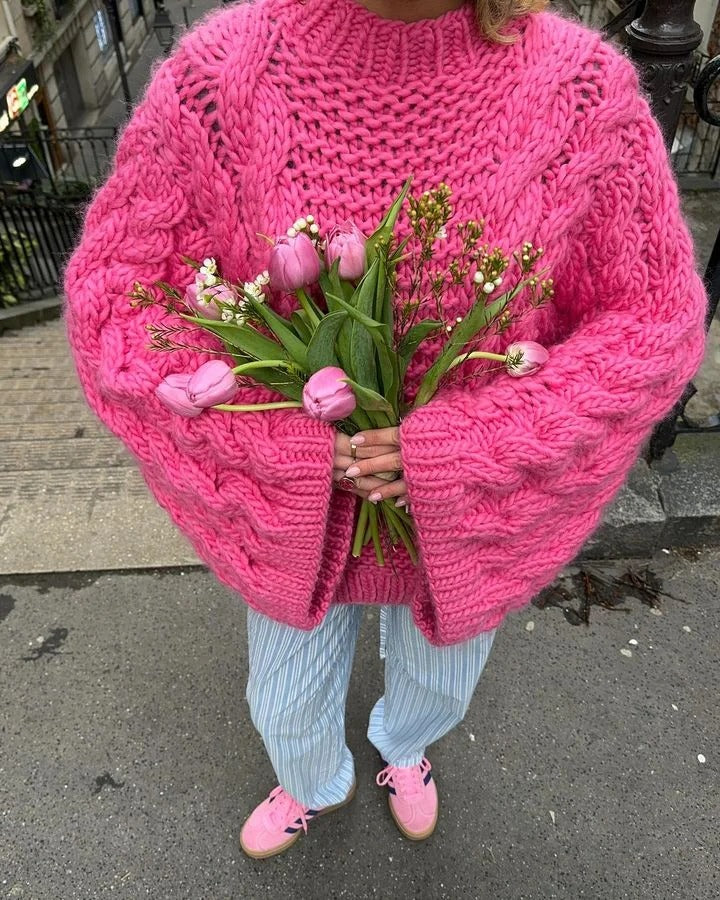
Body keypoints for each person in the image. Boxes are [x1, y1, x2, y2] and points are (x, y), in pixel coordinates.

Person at [63, 0, 708, 860]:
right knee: (284, 701)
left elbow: (653, 316)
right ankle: (313, 779)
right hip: (299, 517)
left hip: (471, 515)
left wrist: (472, 449)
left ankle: (403, 749)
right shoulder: (221, 77)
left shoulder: (580, 92)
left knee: (439, 685)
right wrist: (276, 444)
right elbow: (118, 292)